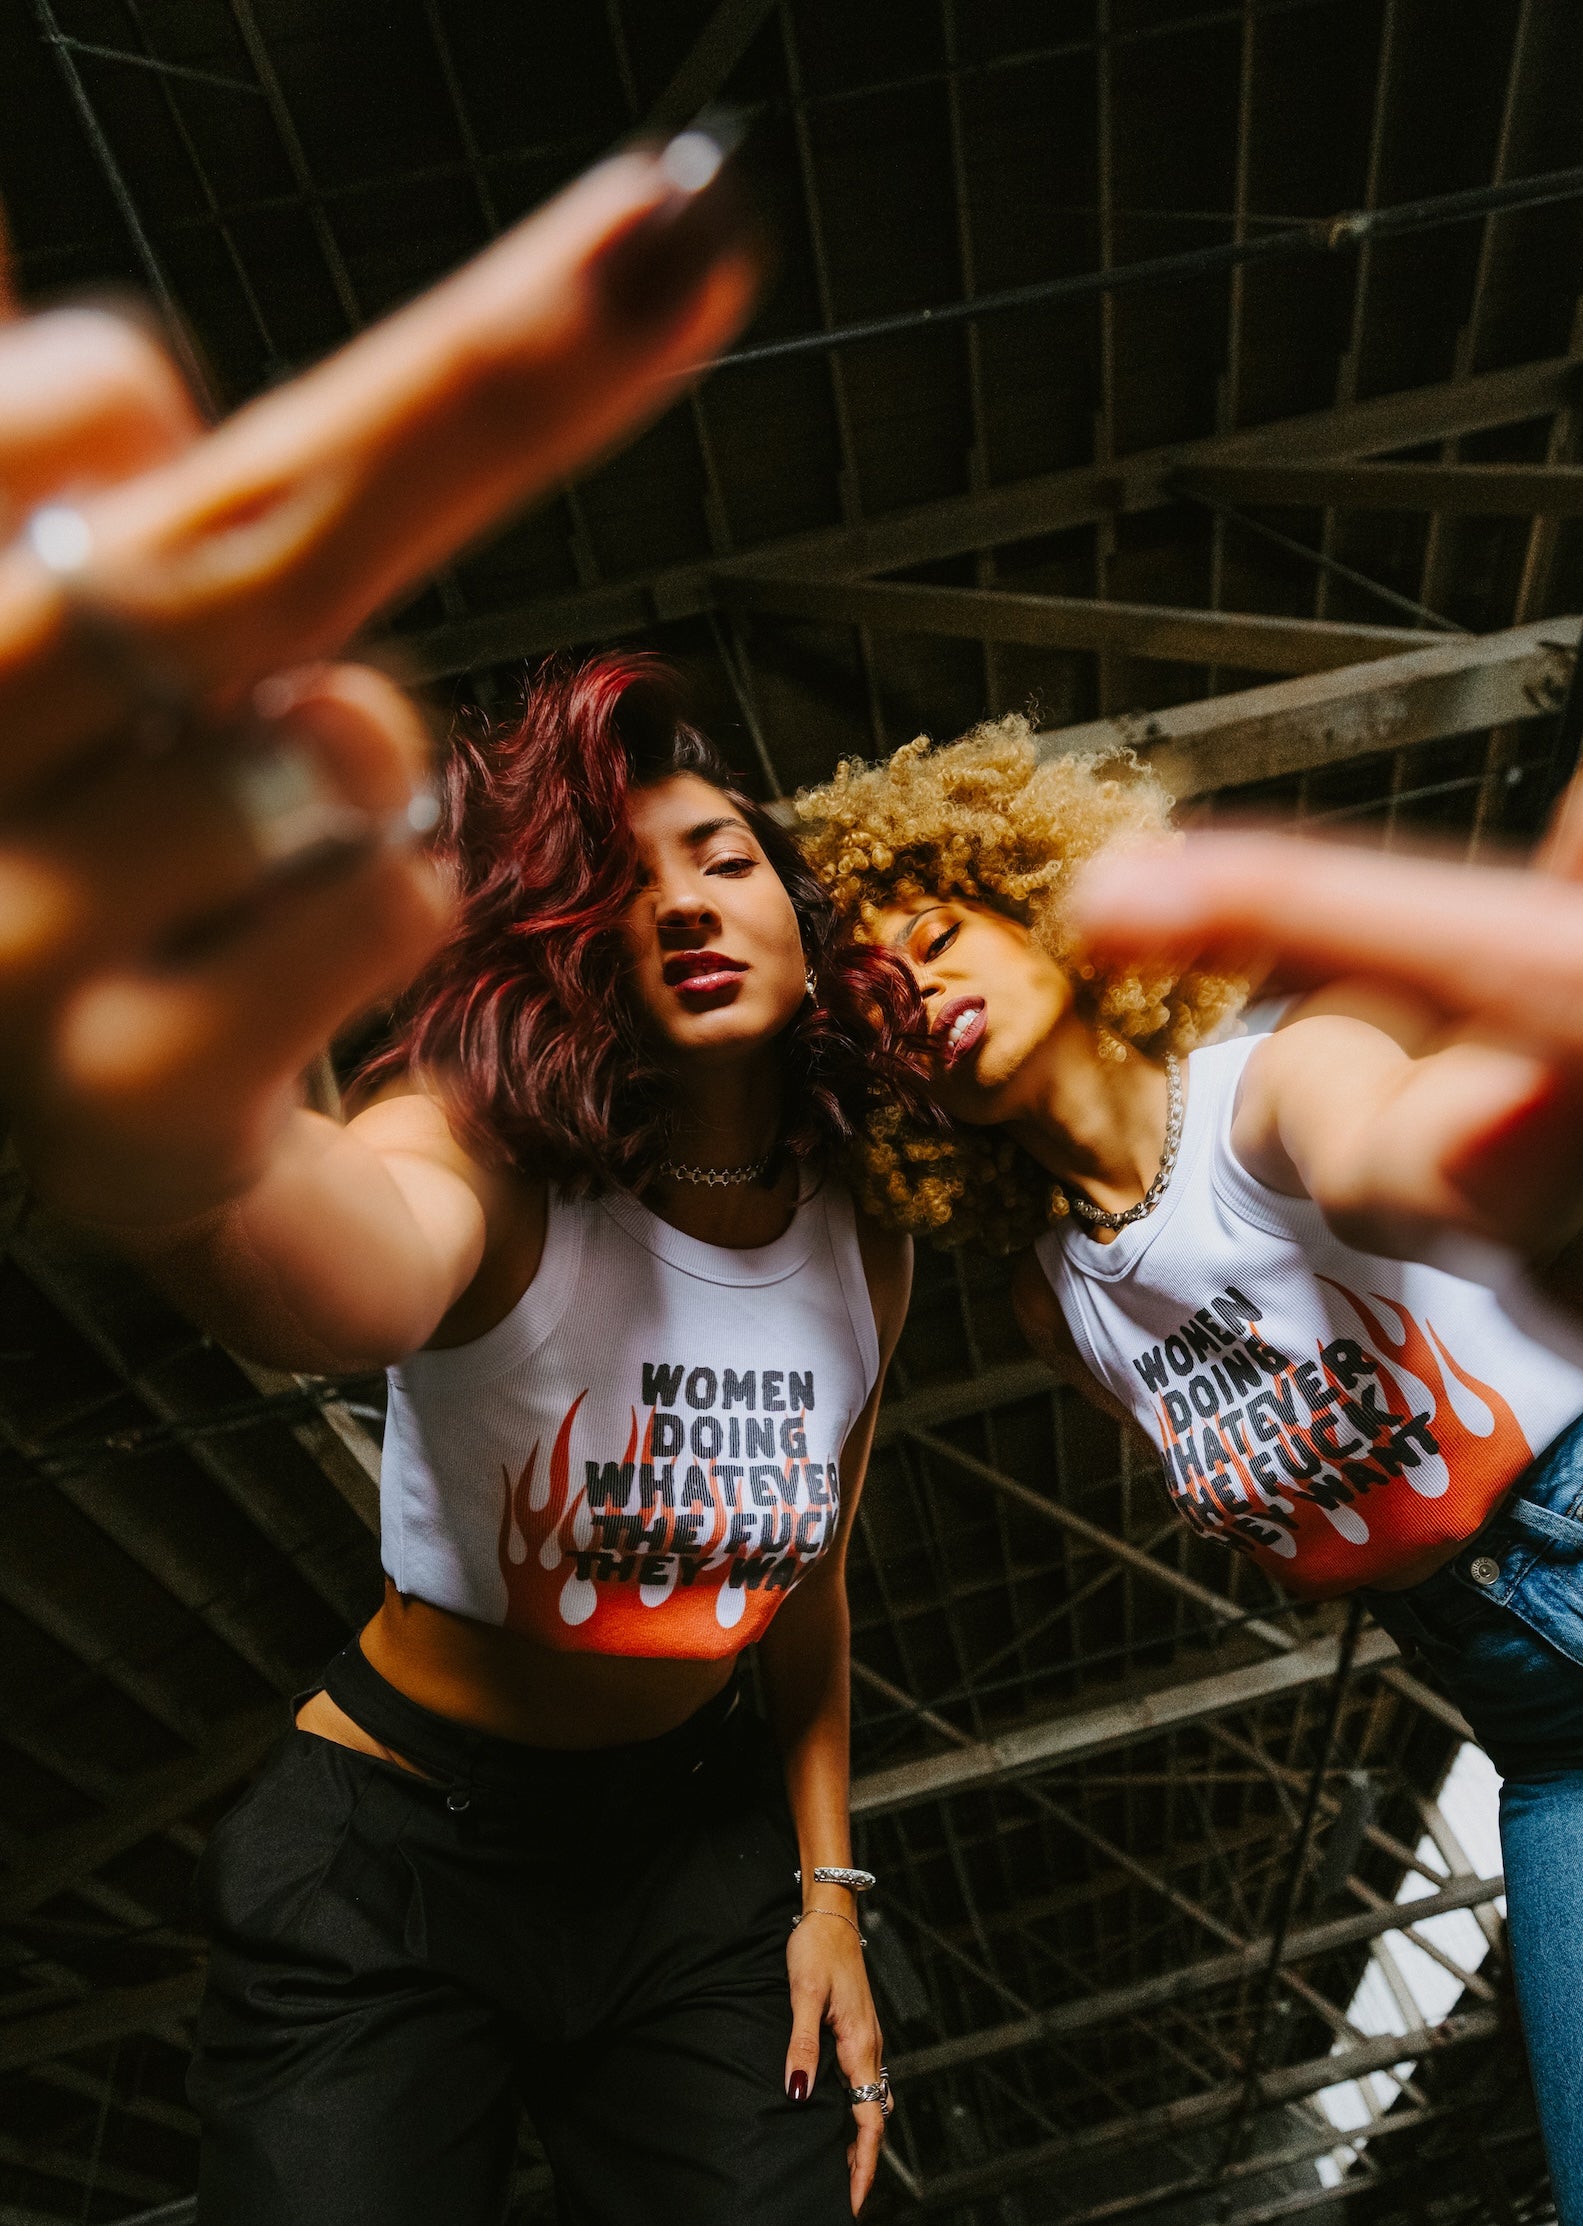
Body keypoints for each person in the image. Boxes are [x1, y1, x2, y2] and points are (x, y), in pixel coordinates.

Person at [0, 143, 910, 2222]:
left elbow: (808, 1578)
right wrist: (195, 1134)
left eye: (724, 856)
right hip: (399, 1854)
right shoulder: (488, 1162)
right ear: (573, 942)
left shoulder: (866, 1236)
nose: (685, 900)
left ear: (796, 907)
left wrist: (826, 1884)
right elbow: (328, 1261)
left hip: (694, 1872)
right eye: (624, 878)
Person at [797, 720, 1583, 2226]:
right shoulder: (1055, 1308)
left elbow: (1393, 1153)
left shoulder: (1273, 1082)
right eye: (876, 1005)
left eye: (937, 936)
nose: (917, 991)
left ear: (1043, 908)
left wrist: (1570, 1082)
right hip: (1581, 1745)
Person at [1067, 654, 1583, 1417]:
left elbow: (1376, 1145)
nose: (931, 988)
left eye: (966, 917)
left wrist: (1479, 1121)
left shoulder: (1262, 1071)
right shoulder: (1056, 1294)